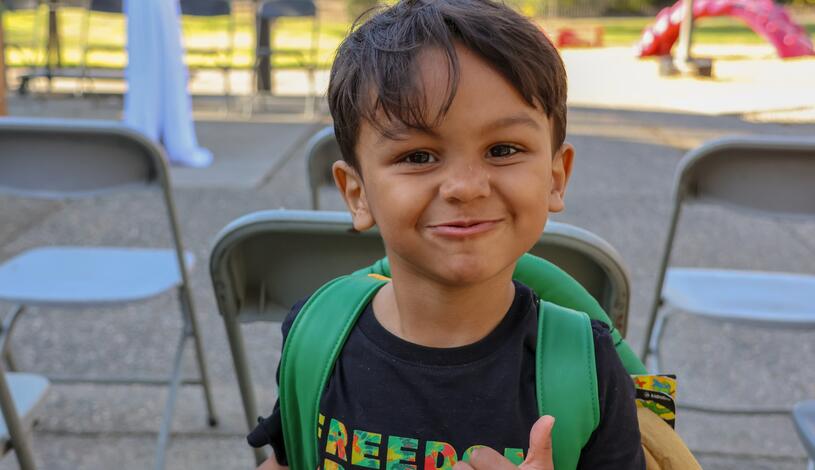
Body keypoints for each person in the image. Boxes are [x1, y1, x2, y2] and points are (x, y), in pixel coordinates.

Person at [249, 0, 645, 468]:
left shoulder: (588, 369)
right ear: (357, 193)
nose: (465, 187)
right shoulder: (317, 335)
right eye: (417, 156)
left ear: (556, 178)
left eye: (503, 149)